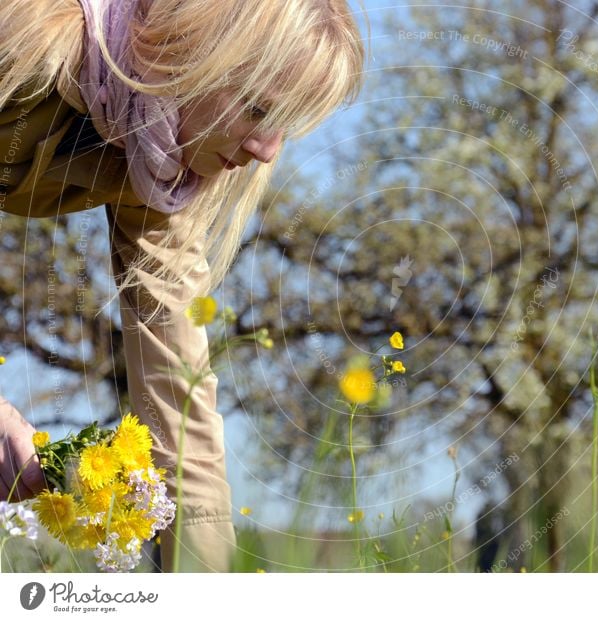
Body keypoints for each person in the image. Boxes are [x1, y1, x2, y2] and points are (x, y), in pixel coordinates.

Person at [0, 0, 366, 571]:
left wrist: (205, 587)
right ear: (196, 52)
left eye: (283, 126)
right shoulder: (27, 46)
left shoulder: (163, 167)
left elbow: (181, 400)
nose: (266, 150)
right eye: (257, 108)